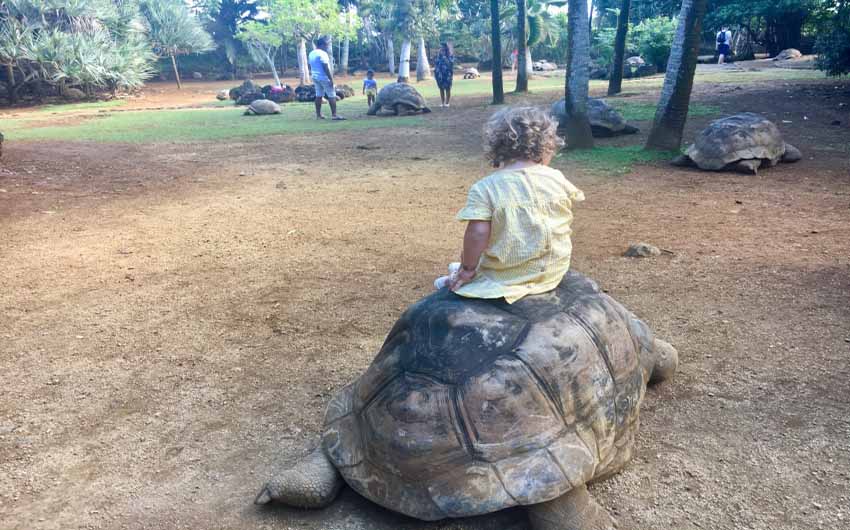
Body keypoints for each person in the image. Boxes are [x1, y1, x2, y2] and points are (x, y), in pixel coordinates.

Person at [435, 107, 585, 303]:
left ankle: (460, 275)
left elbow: (478, 233)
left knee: (449, 279)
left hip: (507, 277)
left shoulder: (486, 188)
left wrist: (467, 269)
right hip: (554, 270)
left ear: (497, 147)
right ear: (547, 146)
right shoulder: (556, 178)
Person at [308, 36, 345, 120]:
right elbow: (325, 67)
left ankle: (318, 115)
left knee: (319, 95)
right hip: (323, 77)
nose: (326, 47)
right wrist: (331, 79)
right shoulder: (323, 54)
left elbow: (310, 65)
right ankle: (334, 115)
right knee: (332, 95)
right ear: (321, 45)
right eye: (325, 45)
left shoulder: (311, 53)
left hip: (315, 76)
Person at [433, 43, 455, 108]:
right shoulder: (438, 56)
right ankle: (442, 102)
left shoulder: (450, 56)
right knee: (441, 88)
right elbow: (436, 64)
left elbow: (450, 64)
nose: (440, 49)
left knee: (448, 88)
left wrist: (444, 57)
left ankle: (447, 103)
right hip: (440, 74)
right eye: (440, 48)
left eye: (442, 47)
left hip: (447, 74)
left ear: (445, 48)